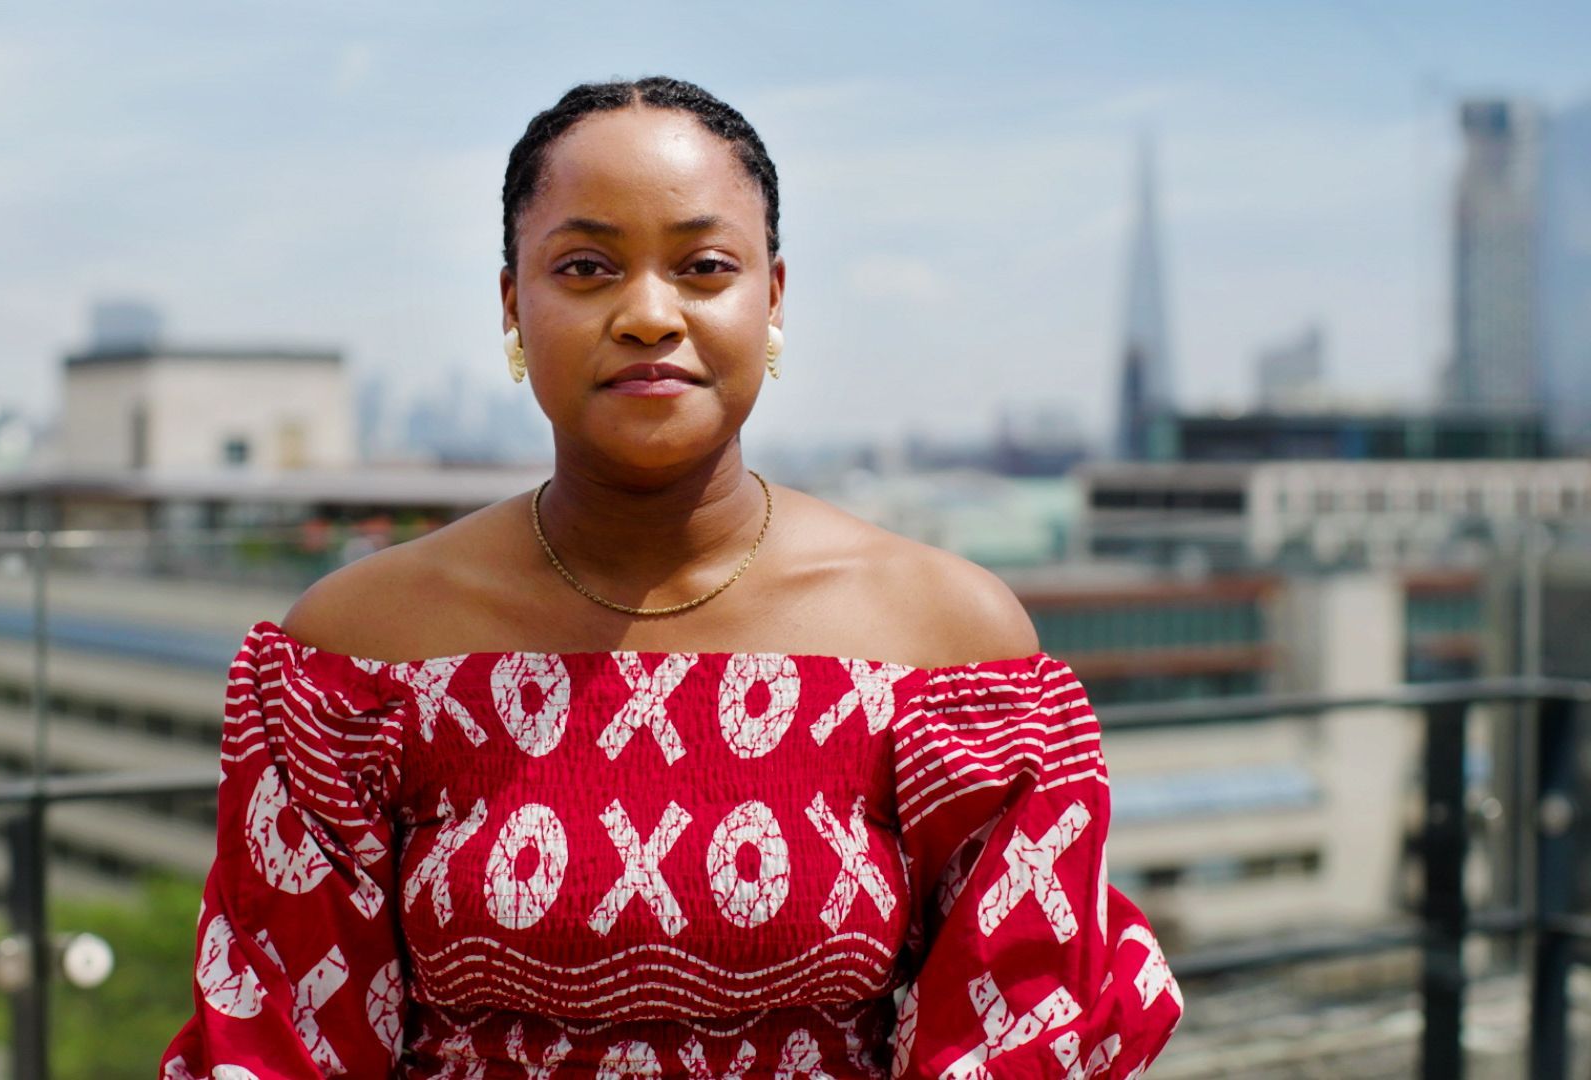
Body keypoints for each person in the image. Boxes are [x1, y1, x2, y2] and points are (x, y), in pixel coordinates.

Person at [161, 76, 1181, 1079]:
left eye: (702, 266)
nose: (649, 313)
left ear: (772, 297)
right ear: (513, 305)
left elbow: (1018, 1042)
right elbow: (279, 1047)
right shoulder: (358, 651)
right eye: (587, 268)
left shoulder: (949, 645)